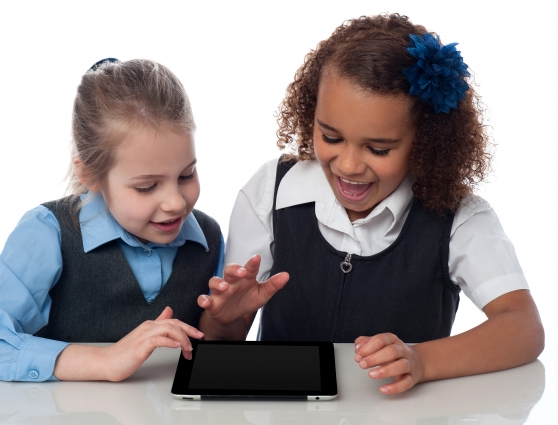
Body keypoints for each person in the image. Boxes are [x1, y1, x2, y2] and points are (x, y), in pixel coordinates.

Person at [198, 14, 544, 394]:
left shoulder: (458, 218)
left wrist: (422, 361)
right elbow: (223, 347)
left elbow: (523, 328)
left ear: (426, 140)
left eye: (378, 149)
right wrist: (225, 321)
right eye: (330, 137)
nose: (348, 165)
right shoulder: (272, 190)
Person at [0, 58, 224, 382]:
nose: (176, 202)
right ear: (89, 174)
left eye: (187, 174)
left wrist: (229, 319)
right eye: (147, 187)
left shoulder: (209, 238)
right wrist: (103, 360)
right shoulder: (48, 233)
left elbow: (208, 354)